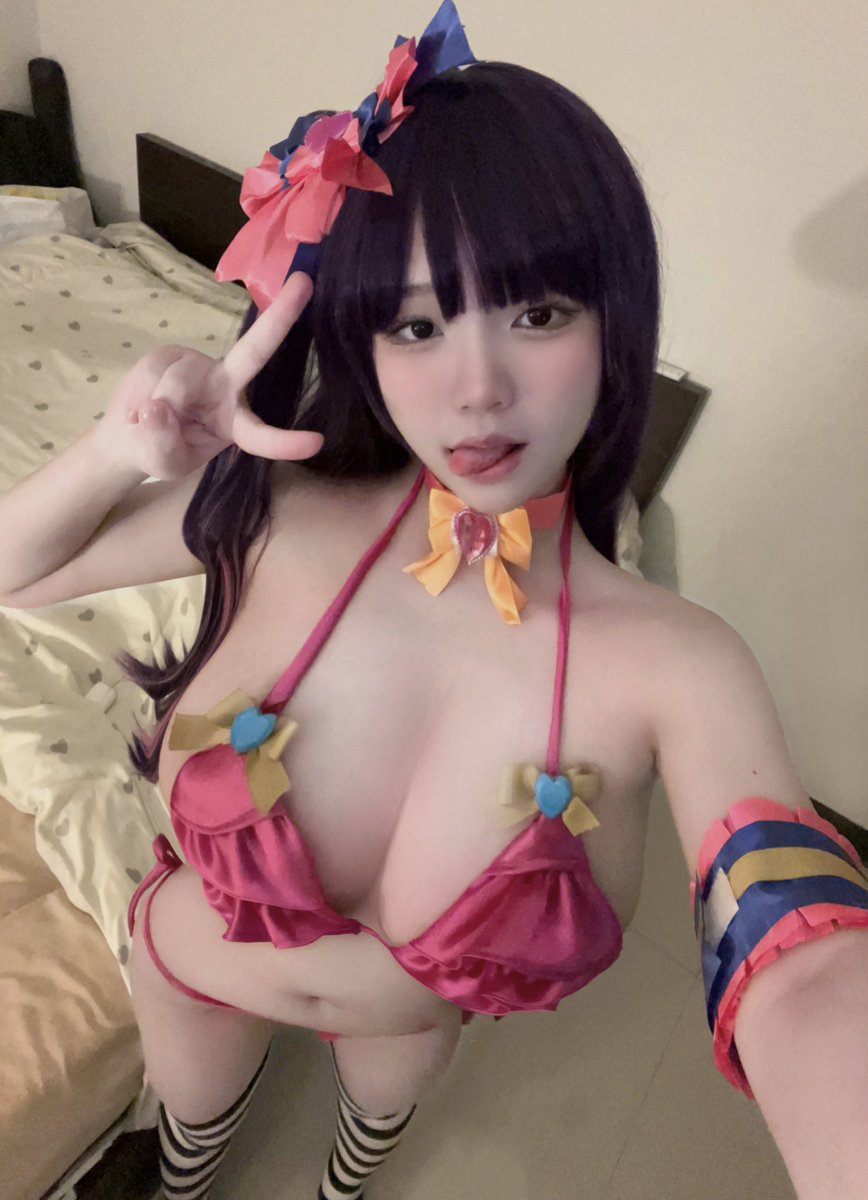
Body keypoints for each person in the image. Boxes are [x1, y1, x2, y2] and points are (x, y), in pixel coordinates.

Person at [2, 3, 867, 1198]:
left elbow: (804, 962)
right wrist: (115, 454)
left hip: (402, 1027)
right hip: (193, 966)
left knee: (357, 1163)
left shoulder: (680, 666)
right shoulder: (276, 509)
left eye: (537, 313)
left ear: (615, 323)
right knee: (186, 1153)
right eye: (415, 323)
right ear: (363, 342)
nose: (477, 389)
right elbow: (18, 572)